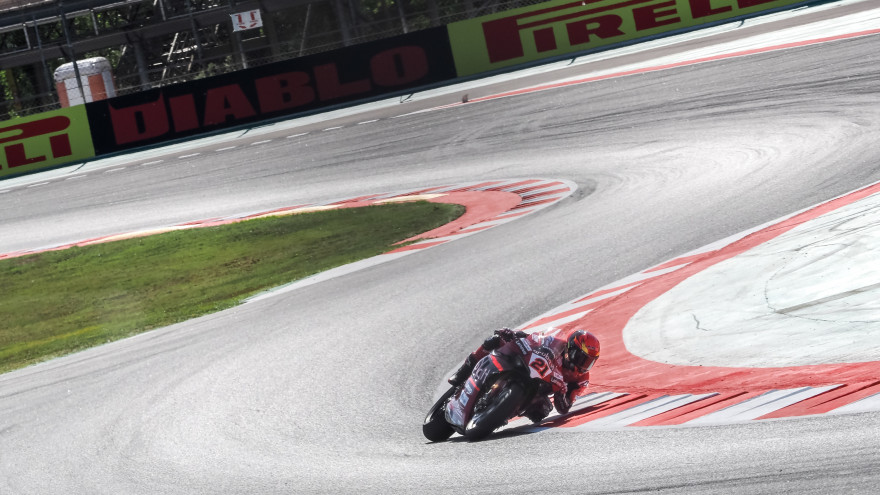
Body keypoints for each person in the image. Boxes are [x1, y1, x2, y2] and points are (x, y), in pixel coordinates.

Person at [448, 327, 600, 423]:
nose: (583, 365)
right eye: (580, 358)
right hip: (526, 366)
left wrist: (561, 392)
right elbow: (533, 338)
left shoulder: (581, 380)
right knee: (494, 340)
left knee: (541, 412)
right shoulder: (556, 342)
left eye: (588, 362)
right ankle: (462, 373)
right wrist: (513, 334)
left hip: (538, 391)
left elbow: (564, 408)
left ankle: (501, 413)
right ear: (570, 348)